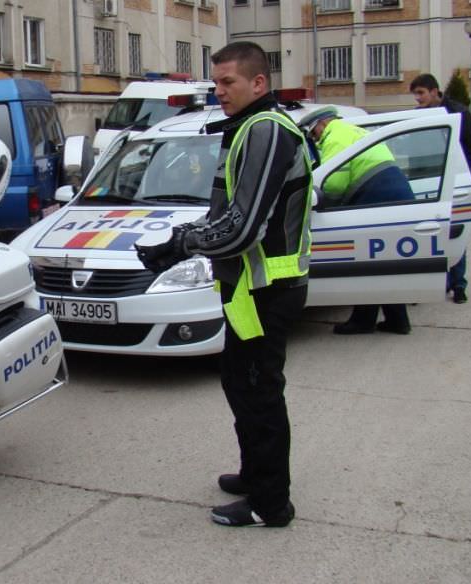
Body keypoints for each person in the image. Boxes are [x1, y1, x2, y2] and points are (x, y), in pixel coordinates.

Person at [135, 41, 313, 528]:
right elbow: (227, 213)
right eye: (215, 83)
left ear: (258, 83)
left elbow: (243, 225)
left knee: (259, 394)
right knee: (241, 384)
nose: (219, 92)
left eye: (228, 82)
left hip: (266, 293)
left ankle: (270, 503)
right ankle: (255, 473)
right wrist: (185, 238)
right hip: (246, 290)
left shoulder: (266, 132)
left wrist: (179, 244)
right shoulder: (245, 130)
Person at [298, 107, 415, 335]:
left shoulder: (335, 137)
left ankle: (363, 321)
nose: (315, 139)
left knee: (367, 263)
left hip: (379, 197)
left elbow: (334, 184)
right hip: (393, 195)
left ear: (321, 124)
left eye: (313, 134)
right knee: (381, 263)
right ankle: (397, 320)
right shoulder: (351, 130)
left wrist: (318, 198)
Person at [410, 73, 471, 304]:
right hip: (429, 181)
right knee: (429, 234)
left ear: (434, 91)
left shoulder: (458, 112)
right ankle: (432, 283)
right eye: (415, 95)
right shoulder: (419, 115)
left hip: (455, 182)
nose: (418, 99)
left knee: (453, 232)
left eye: (421, 93)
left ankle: (458, 284)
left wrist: (470, 178)